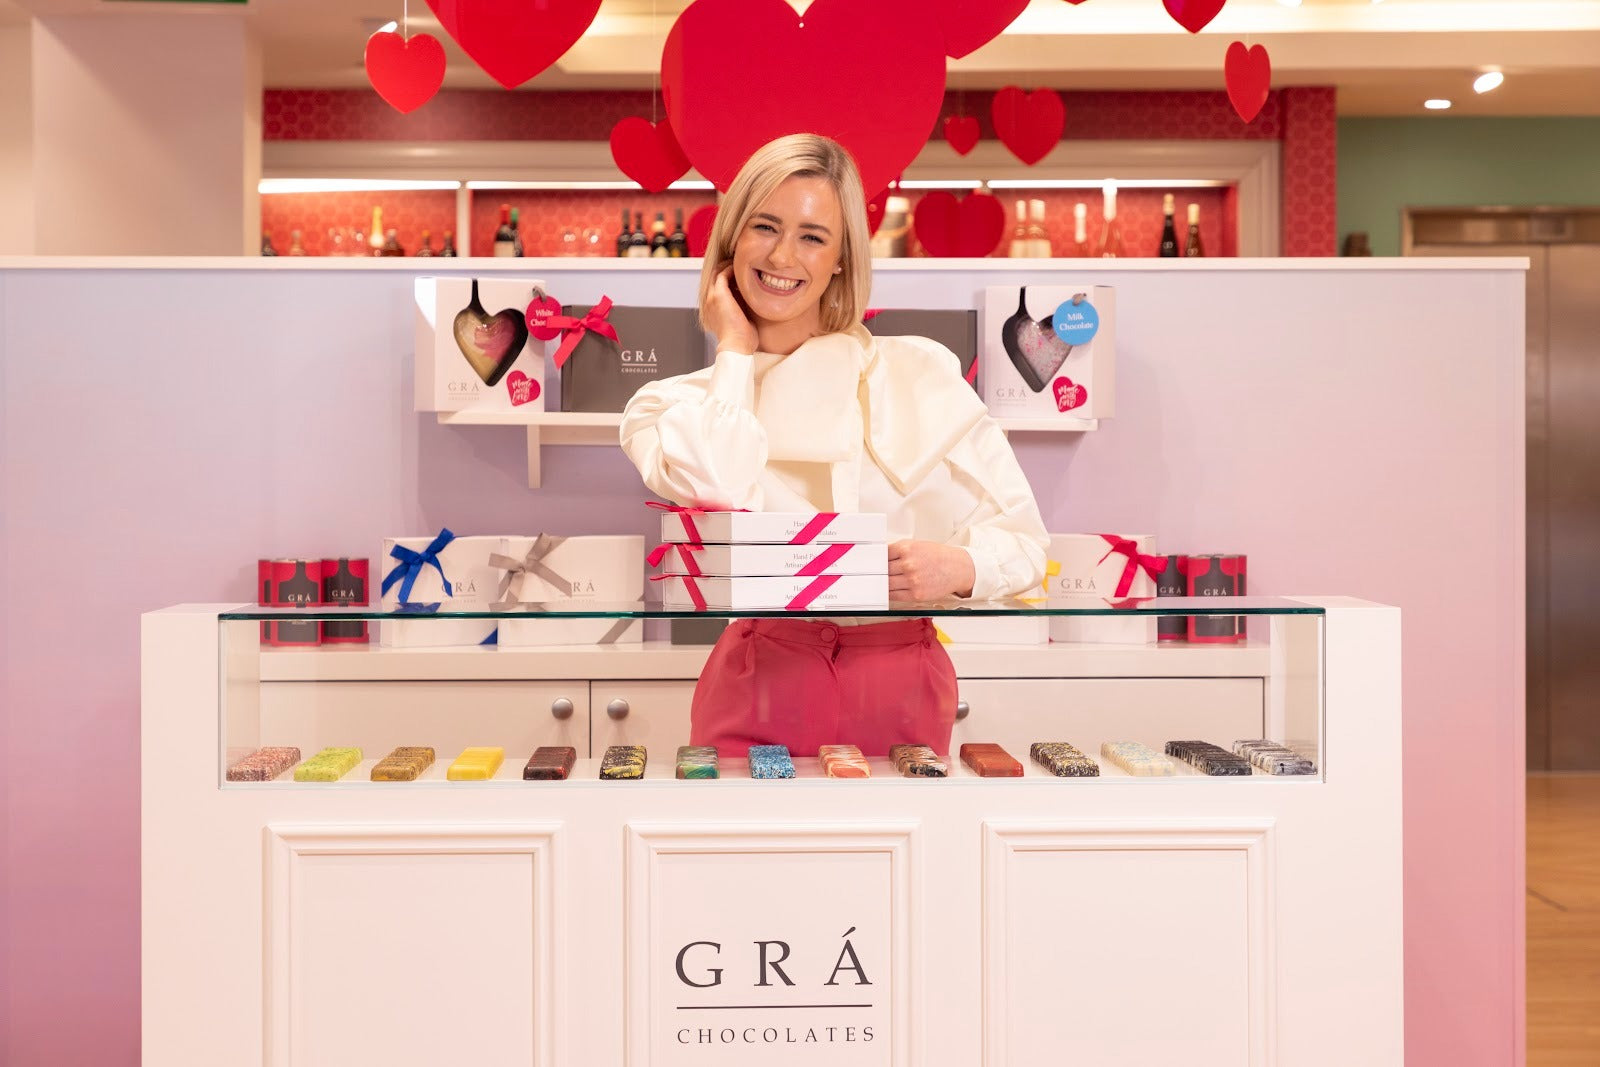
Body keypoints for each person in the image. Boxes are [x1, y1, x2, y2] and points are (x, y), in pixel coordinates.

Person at [621, 133, 1047, 757]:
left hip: (903, 682)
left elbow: (1027, 545)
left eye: (813, 237)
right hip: (758, 681)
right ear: (732, 237)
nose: (783, 255)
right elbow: (722, 486)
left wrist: (960, 568)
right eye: (765, 226)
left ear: (842, 258)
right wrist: (734, 348)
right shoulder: (669, 406)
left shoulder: (920, 373)